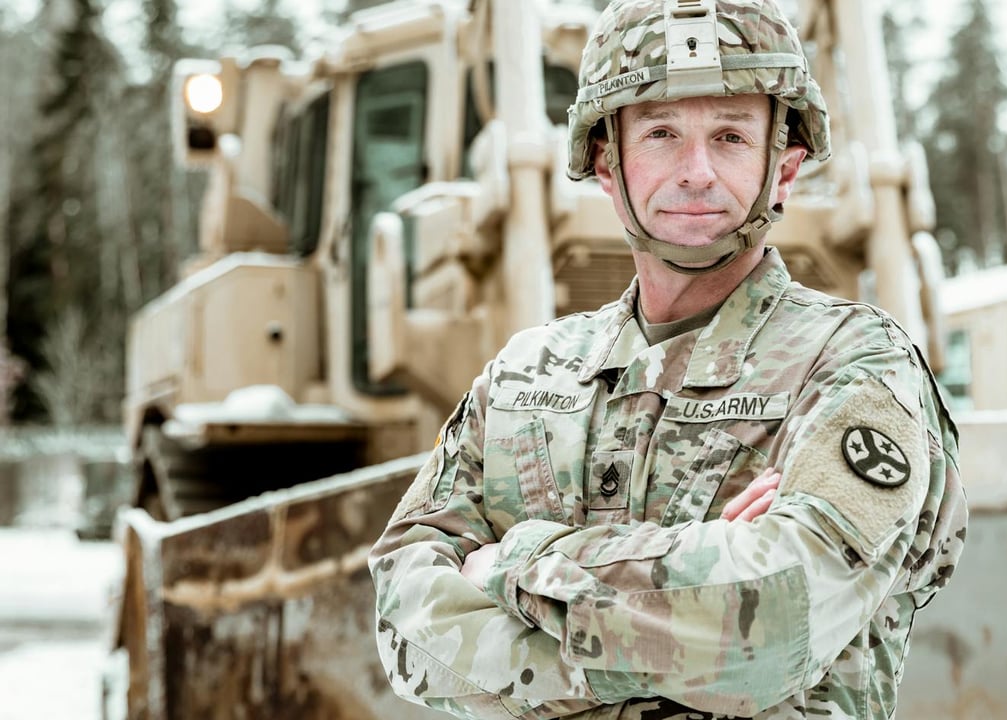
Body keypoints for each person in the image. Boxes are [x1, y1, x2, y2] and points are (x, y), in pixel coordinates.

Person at [368, 0, 967, 718]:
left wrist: (511, 563)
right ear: (607, 165)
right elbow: (405, 622)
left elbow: (773, 625)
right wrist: (693, 598)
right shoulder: (524, 378)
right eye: (660, 133)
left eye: (731, 136)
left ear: (784, 169)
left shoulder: (856, 368)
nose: (696, 172)